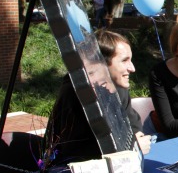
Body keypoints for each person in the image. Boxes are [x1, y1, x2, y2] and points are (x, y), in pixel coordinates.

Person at [46, 30, 152, 164]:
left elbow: (133, 122)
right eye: (124, 60)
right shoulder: (75, 94)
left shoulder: (118, 87)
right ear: (101, 63)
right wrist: (132, 149)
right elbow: (76, 151)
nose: (132, 68)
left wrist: (134, 141)